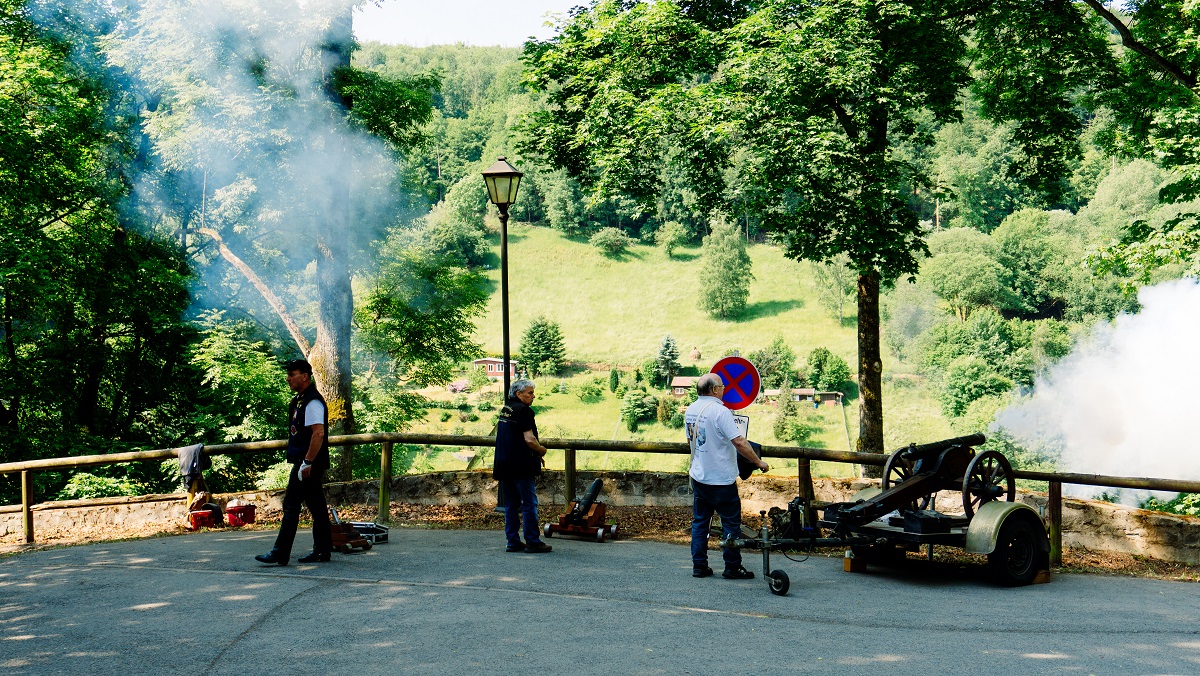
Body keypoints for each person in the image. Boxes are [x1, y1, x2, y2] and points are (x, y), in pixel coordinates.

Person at [684, 373, 769, 579]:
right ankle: (732, 567)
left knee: (700, 523)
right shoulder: (720, 412)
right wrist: (758, 462)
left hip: (699, 476)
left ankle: (699, 566)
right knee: (730, 524)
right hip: (721, 479)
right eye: (722, 386)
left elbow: (691, 440)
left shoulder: (690, 410)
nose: (724, 389)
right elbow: (739, 442)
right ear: (714, 390)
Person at [255, 359, 333, 566]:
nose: (288, 378)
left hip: (307, 463)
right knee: (317, 507)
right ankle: (323, 550)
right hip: (305, 461)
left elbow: (318, 434)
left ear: (305, 376)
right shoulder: (299, 400)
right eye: (288, 374)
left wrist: (307, 462)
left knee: (291, 506)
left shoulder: (313, 401)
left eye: (292, 374)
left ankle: (280, 552)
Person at [493, 379, 552, 553]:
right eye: (530, 393)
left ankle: (512, 541)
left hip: (504, 463)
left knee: (511, 504)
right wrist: (541, 450)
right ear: (519, 394)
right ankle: (533, 541)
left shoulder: (506, 409)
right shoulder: (524, 411)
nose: (533, 396)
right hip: (520, 465)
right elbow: (529, 439)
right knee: (529, 503)